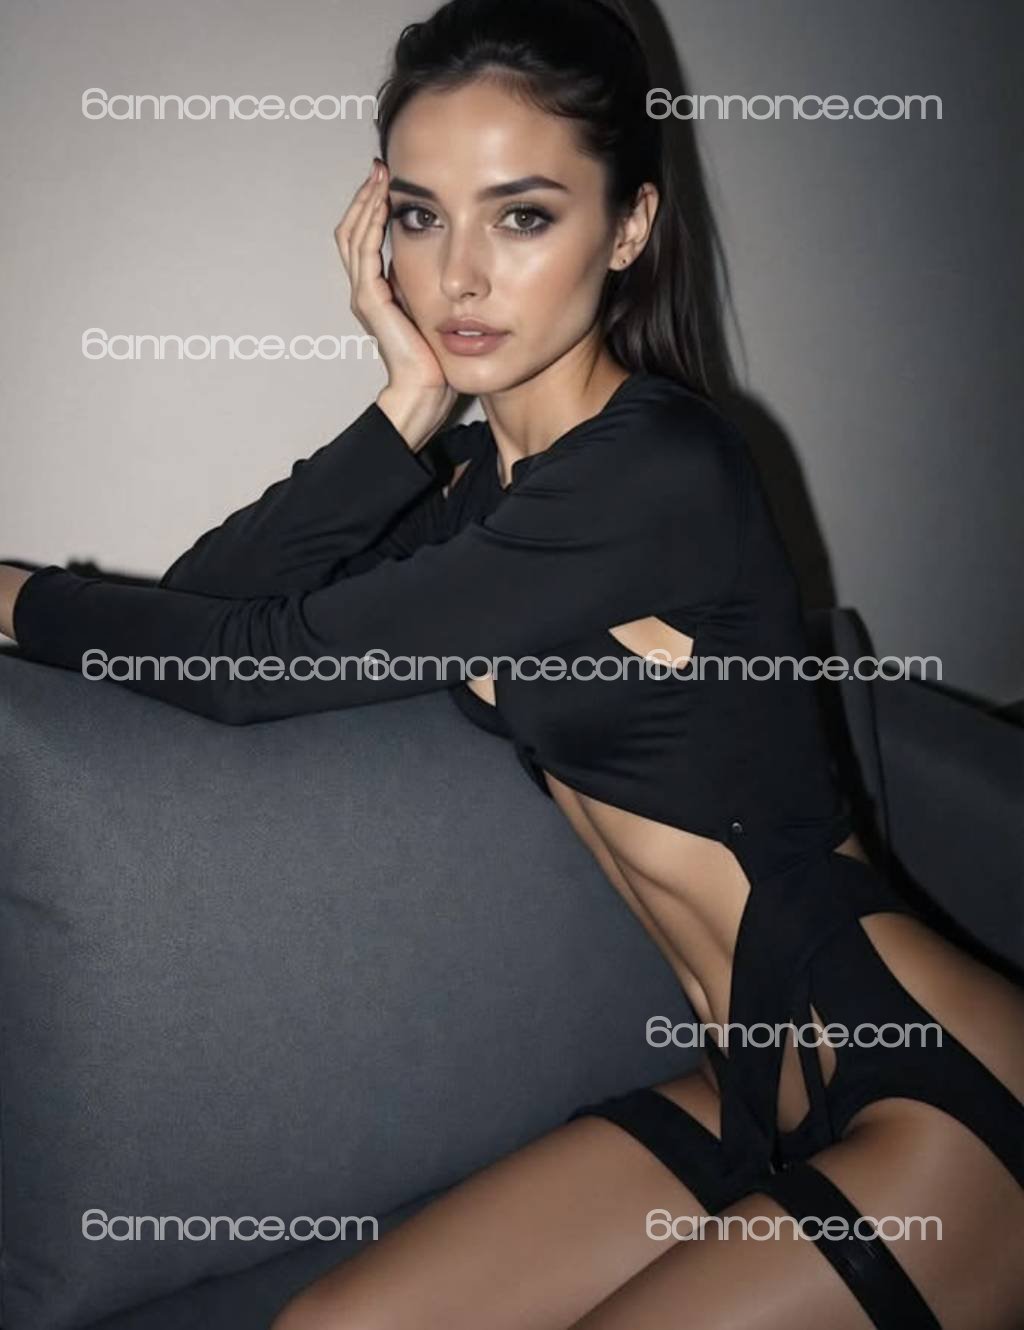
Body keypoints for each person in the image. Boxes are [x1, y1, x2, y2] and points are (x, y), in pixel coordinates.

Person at [3, 2, 1023, 1325]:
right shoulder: (484, 494)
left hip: (940, 1092)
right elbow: (212, 605)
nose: (461, 276)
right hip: (750, 1082)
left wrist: (9, 594)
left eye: (523, 215)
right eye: (421, 217)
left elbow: (247, 670)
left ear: (631, 228)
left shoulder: (658, 471)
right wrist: (407, 405)